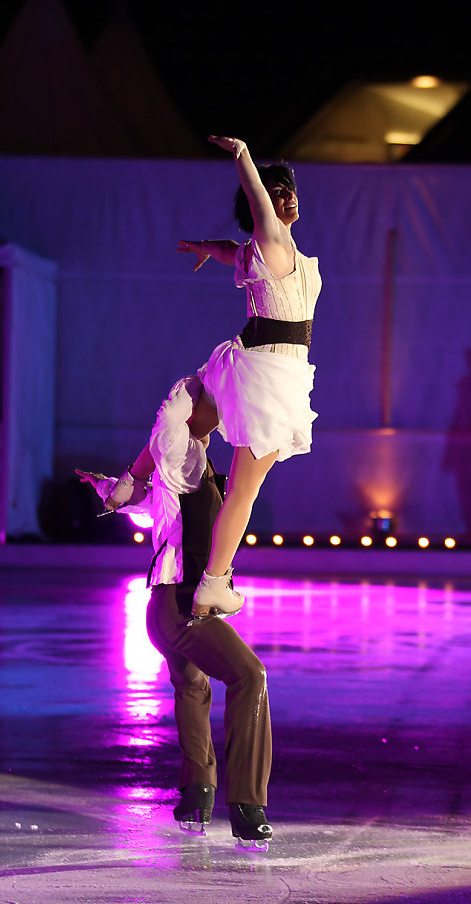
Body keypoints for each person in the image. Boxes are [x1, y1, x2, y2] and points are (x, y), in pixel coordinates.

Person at [109, 135, 322, 621]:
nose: (286, 196)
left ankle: (130, 482)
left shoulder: (263, 248)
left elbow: (233, 250)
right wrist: (244, 157)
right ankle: (214, 584)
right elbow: (255, 208)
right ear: (262, 203)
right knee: (244, 489)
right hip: (271, 372)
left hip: (248, 361)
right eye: (276, 191)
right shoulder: (270, 236)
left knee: (194, 422)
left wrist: (206, 247)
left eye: (289, 188)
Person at [76, 375, 273, 849]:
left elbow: (141, 501)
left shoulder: (190, 467)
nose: (221, 412)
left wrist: (114, 487)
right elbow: (168, 423)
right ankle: (247, 804)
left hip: (172, 606)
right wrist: (206, 378)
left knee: (193, 688)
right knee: (250, 676)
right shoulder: (181, 455)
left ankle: (195, 796)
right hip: (180, 606)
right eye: (212, 406)